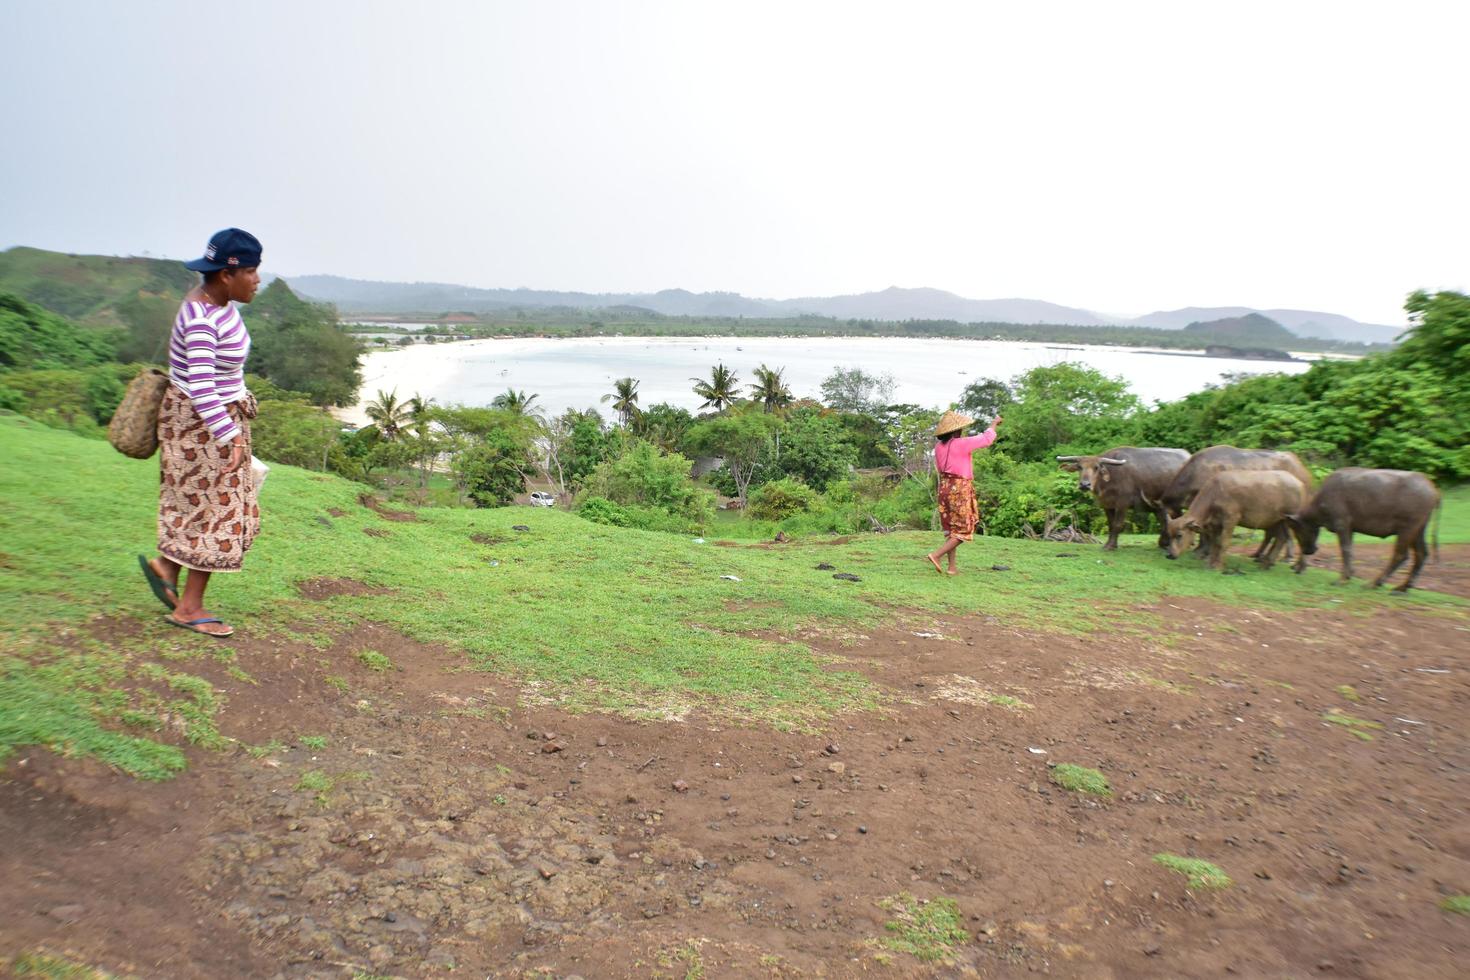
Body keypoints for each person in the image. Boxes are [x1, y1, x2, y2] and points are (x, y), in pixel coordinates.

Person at [137, 228, 263, 637]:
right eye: (252, 271)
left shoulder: (219, 303)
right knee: (219, 513)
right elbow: (203, 387)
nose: (258, 279)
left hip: (207, 421)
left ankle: (166, 566)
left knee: (197, 505)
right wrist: (231, 436)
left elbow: (218, 375)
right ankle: (189, 609)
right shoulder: (202, 318)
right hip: (203, 427)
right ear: (227, 274)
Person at [926, 410, 1002, 575]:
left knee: (951, 529)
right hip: (959, 488)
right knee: (963, 529)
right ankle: (936, 555)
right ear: (955, 430)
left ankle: (952, 568)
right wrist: (994, 423)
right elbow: (986, 439)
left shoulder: (939, 447)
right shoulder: (961, 443)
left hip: (944, 487)